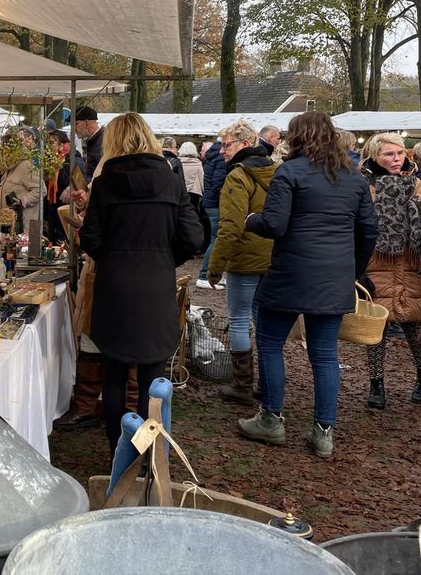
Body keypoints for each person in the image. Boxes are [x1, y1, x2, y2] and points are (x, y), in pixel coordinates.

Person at [237, 112, 377, 459]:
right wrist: (354, 271)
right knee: (325, 354)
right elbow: (369, 230)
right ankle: (324, 431)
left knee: (270, 343)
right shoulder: (354, 178)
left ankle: (271, 418)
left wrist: (251, 220)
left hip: (291, 272)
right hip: (334, 275)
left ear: (297, 137)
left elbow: (275, 224)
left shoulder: (289, 172)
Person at [80, 113, 205, 452]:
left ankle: (119, 451)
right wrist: (164, 258)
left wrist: (114, 257)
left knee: (115, 376)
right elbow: (193, 236)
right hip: (155, 284)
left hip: (115, 285)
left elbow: (90, 238)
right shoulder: (170, 180)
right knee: (152, 378)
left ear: (113, 141)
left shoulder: (105, 182)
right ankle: (146, 451)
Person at [359, 134, 421, 410]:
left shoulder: (420, 186)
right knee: (376, 328)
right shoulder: (364, 187)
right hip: (376, 266)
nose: (396, 159)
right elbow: (354, 229)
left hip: (412, 265)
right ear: (374, 156)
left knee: (413, 324)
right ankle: (376, 384)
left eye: (400, 153)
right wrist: (357, 268)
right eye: (389, 154)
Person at [203, 120, 277, 405]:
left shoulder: (238, 176)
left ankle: (242, 386)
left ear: (245, 144)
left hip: (245, 259)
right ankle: (269, 386)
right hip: (272, 258)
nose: (222, 151)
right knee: (265, 324)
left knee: (238, 320)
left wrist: (215, 267)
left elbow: (231, 226)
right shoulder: (276, 170)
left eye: (227, 145)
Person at [197, 134, 231, 289]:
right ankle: (204, 275)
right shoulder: (220, 156)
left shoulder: (213, 155)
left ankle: (212, 275)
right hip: (216, 203)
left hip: (210, 202)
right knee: (216, 239)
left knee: (215, 238)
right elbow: (219, 181)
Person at [45, 128, 87, 245]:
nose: (49, 146)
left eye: (52, 142)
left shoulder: (73, 160)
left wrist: (71, 187)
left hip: (68, 211)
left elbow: (84, 179)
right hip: (54, 212)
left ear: (62, 144)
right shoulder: (54, 162)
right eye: (48, 143)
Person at [178, 141, 205, 233]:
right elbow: (202, 179)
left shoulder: (177, 163)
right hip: (194, 193)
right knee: (193, 215)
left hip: (180, 192)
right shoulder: (198, 163)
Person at [73, 106, 104, 177]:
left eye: (76, 124)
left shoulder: (102, 141)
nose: (74, 128)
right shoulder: (95, 140)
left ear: (86, 122)